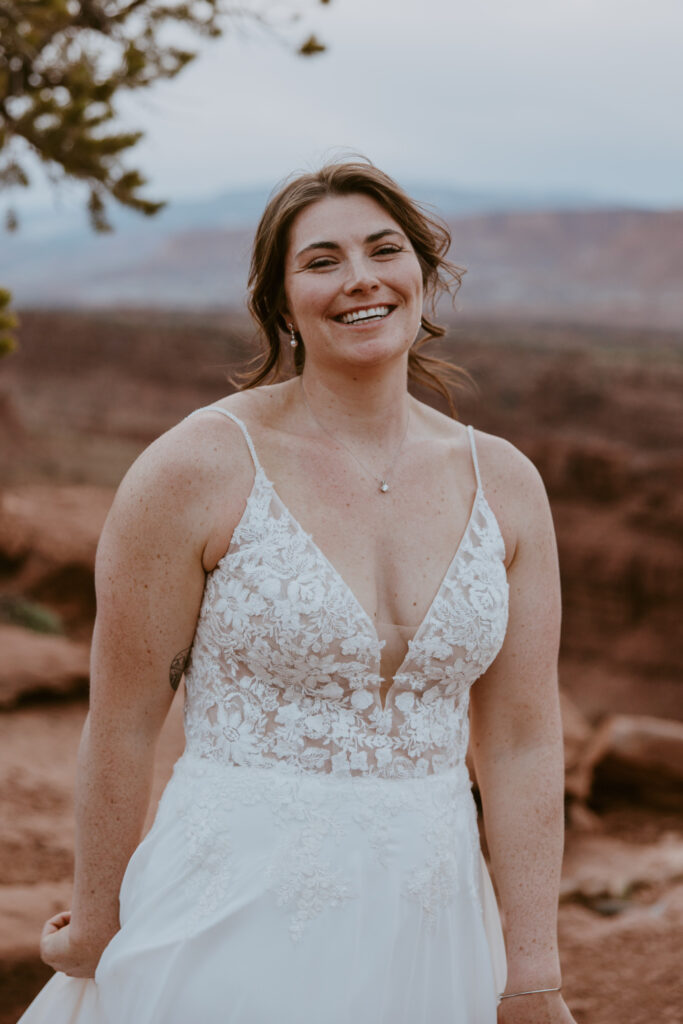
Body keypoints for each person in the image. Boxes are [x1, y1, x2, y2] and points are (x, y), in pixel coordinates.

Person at [19, 159, 576, 1024]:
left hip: (433, 925)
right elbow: (124, 720)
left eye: (383, 250)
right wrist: (95, 921)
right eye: (320, 261)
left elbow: (522, 742)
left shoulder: (504, 483)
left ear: (422, 278)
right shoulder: (195, 467)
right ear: (279, 302)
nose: (359, 278)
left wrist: (532, 972)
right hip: (228, 908)